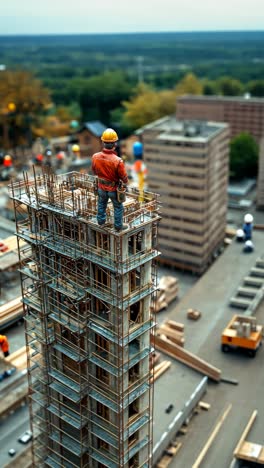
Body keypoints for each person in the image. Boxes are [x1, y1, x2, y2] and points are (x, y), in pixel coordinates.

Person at [92, 128, 128, 232]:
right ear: (115, 144)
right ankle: (118, 226)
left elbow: (94, 171)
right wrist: (126, 182)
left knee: (101, 204)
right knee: (117, 207)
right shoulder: (118, 161)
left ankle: (101, 222)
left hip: (101, 187)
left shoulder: (95, 157)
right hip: (113, 189)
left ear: (103, 142)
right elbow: (123, 176)